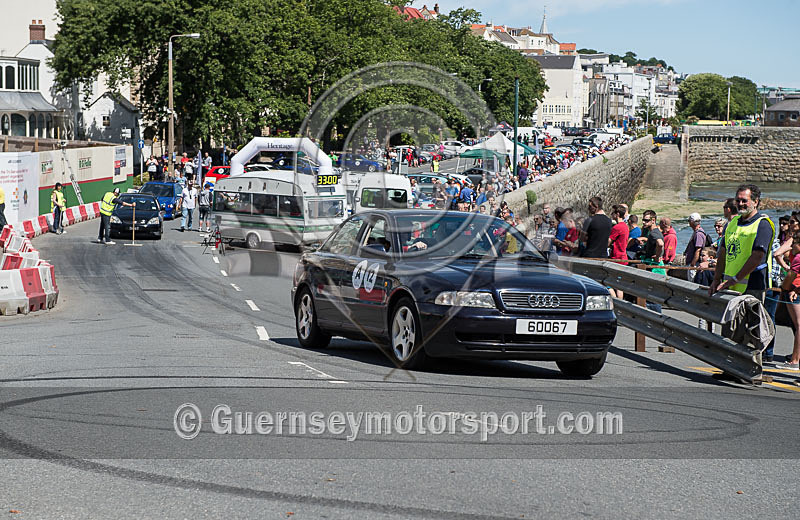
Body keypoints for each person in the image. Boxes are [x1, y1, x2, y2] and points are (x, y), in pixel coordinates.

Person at [709, 184, 775, 304]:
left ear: (755, 202)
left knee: (751, 322)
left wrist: (736, 279)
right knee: (729, 322)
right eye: (737, 200)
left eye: (744, 201)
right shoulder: (732, 223)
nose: (740, 204)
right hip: (729, 284)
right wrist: (716, 279)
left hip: (752, 285)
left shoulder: (763, 225)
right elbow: (723, 253)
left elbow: (757, 257)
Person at [776, 232, 800, 370]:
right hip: (796, 290)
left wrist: (789, 289)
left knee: (799, 325)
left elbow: (788, 279)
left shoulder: (798, 258)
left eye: (794, 244)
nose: (791, 247)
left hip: (794, 289)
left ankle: (795, 360)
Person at [640, 209, 666, 312]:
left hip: (655, 268)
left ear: (653, 220)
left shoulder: (654, 233)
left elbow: (660, 244)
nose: (643, 222)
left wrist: (657, 255)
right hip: (655, 267)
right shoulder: (652, 232)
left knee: (653, 299)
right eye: (643, 220)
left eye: (646, 220)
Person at [685, 213, 711, 281]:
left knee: (692, 282)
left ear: (692, 222)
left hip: (695, 264)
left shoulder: (698, 234)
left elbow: (698, 250)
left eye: (689, 221)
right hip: (694, 263)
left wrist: (692, 264)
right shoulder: (697, 232)